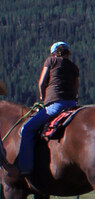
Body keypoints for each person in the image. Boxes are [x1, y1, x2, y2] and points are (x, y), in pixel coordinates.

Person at [16, 42, 79, 176]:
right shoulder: (74, 67)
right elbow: (75, 89)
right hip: (72, 105)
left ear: (54, 52)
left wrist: (42, 95)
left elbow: (42, 82)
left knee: (26, 130)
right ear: (68, 52)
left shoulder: (51, 61)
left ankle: (24, 168)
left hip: (55, 105)